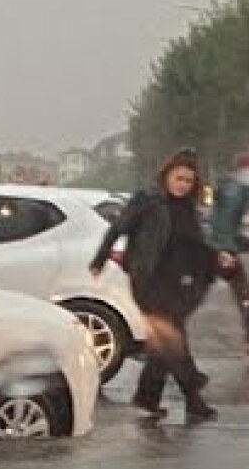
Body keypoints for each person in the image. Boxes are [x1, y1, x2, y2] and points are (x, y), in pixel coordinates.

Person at [90, 149, 227, 421]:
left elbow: (194, 244)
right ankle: (192, 397)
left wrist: (215, 256)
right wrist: (100, 259)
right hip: (148, 279)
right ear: (166, 176)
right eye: (178, 178)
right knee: (172, 336)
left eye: (188, 181)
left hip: (177, 283)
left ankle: (147, 397)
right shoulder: (147, 201)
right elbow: (118, 228)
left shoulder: (187, 210)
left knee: (161, 342)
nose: (183, 185)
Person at [208, 146, 249, 355]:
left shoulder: (236, 186)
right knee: (246, 294)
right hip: (221, 250)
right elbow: (226, 220)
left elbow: (227, 221)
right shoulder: (238, 188)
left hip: (219, 247)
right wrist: (226, 249)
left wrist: (246, 243)